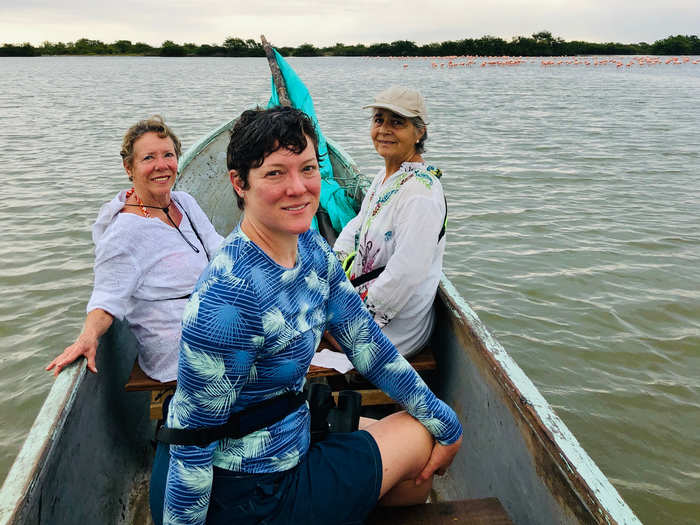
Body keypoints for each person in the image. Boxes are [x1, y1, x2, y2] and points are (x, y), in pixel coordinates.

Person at [157, 106, 462, 525]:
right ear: (239, 184)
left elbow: (367, 344)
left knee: (418, 470)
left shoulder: (314, 251)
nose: (298, 188)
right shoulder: (228, 299)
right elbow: (191, 443)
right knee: (418, 437)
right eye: (275, 173)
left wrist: (448, 420)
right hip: (246, 493)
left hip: (288, 438)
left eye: (308, 168)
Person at [46, 115, 222, 382]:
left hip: (212, 320)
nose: (161, 165)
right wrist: (88, 336)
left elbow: (220, 249)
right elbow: (106, 298)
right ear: (129, 168)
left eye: (168, 155)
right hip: (176, 347)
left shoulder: (183, 202)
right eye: (148, 158)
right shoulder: (124, 233)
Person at [333, 86, 446, 358]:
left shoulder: (421, 194)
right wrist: (334, 267)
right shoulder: (385, 177)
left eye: (397, 122)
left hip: (394, 330)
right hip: (365, 293)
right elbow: (356, 226)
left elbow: (405, 273)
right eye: (378, 120)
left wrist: (358, 324)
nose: (384, 129)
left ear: (419, 132)